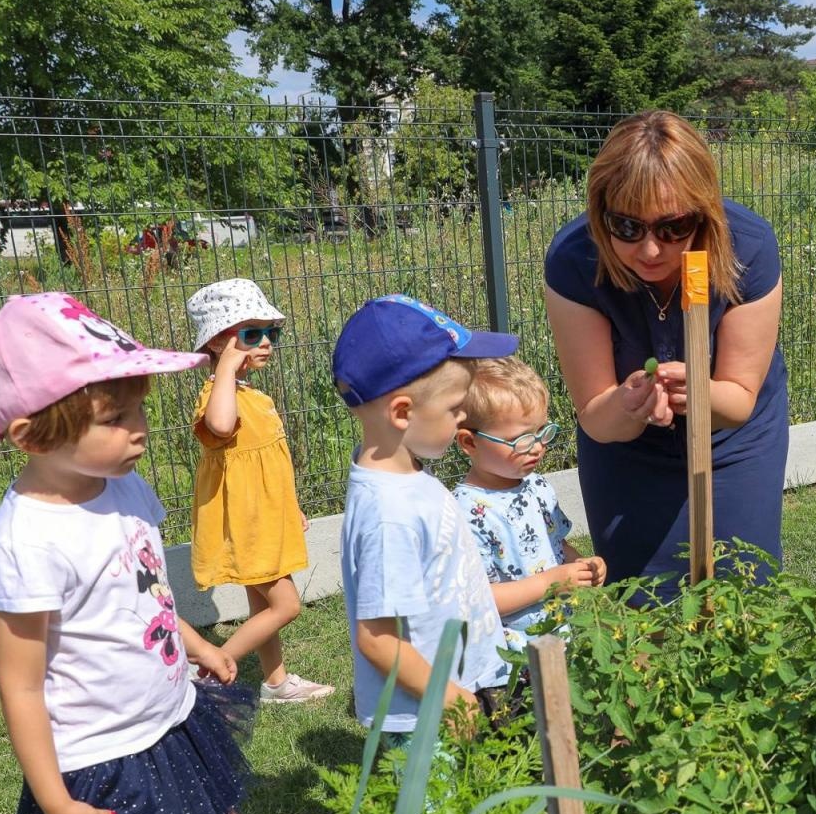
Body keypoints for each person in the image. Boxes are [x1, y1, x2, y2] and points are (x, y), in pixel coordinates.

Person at [0, 293, 272, 814]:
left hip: (172, 714)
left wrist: (195, 644)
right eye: (115, 418)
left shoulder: (123, 486)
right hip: (103, 749)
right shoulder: (27, 542)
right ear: (31, 434)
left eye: (138, 409)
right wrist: (55, 801)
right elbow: (20, 686)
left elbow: (147, 590)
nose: (139, 430)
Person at [543, 110, 786, 597]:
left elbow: (738, 398)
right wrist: (628, 404)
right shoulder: (574, 261)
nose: (651, 250)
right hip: (626, 451)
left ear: (703, 213)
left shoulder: (748, 247)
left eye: (674, 228)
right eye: (627, 226)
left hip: (733, 442)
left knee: (742, 588)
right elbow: (596, 416)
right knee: (642, 596)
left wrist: (698, 392)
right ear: (600, 212)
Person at [333, 294, 515, 745]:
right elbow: (378, 639)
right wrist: (447, 697)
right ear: (402, 413)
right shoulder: (389, 514)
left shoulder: (406, 475)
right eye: (455, 407)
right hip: (425, 718)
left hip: (454, 692)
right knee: (439, 796)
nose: (463, 417)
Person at [186, 278, 332, 703]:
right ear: (217, 342)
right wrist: (226, 369)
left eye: (271, 333)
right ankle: (209, 669)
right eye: (251, 334)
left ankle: (275, 682)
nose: (266, 342)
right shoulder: (219, 395)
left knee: (262, 606)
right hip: (248, 524)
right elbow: (219, 426)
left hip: (265, 518)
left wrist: (290, 506)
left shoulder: (250, 394)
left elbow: (267, 465)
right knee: (286, 606)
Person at [452, 358, 607, 663]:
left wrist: (582, 565)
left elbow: (556, 544)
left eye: (541, 432)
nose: (537, 447)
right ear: (469, 442)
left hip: (558, 639)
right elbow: (478, 600)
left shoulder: (536, 486)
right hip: (508, 661)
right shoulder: (466, 512)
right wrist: (552, 582)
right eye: (520, 440)